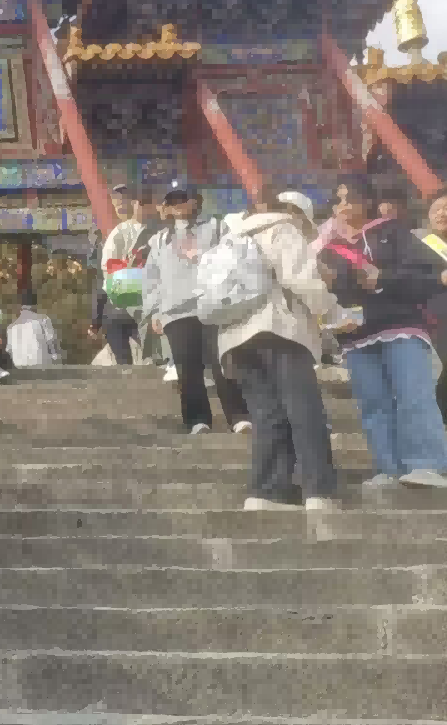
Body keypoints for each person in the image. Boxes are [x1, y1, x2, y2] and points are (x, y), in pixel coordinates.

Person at [219, 189, 355, 511]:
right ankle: (319, 491)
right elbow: (300, 280)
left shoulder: (230, 238)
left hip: (235, 340)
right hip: (280, 331)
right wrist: (335, 314)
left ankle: (267, 492)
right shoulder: (283, 228)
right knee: (304, 411)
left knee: (267, 415)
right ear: (297, 215)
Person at [318, 174, 447, 489]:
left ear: (367, 201)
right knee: (373, 403)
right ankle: (388, 468)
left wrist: (383, 277)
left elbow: (431, 276)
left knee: (413, 394)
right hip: (355, 333)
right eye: (338, 200)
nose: (343, 205)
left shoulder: (393, 231)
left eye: (350, 198)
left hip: (400, 325)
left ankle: (428, 464)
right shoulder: (328, 250)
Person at [144, 187, 251, 435]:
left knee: (222, 362)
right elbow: (152, 279)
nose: (178, 204)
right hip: (176, 311)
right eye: (172, 201)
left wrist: (234, 296)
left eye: (183, 199)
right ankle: (197, 420)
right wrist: (155, 312)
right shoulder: (159, 239)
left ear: (196, 201)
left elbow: (233, 259)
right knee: (187, 367)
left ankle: (239, 416)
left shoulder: (217, 228)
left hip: (213, 305)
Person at [92, 184, 159, 366]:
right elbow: (108, 272)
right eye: (117, 200)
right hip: (125, 305)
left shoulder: (159, 231)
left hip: (145, 306)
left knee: (153, 358)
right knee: (128, 362)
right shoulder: (120, 232)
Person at [418, 194, 447, 422]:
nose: (442, 213)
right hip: (435, 317)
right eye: (437, 208)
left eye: (446, 208)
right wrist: (439, 278)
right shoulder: (419, 246)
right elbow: (407, 280)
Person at [6, 291, 62, 368]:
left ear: (19, 307)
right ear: (36, 305)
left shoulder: (11, 327)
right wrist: (56, 358)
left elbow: (9, 350)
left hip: (19, 367)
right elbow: (51, 342)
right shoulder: (43, 319)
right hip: (40, 366)